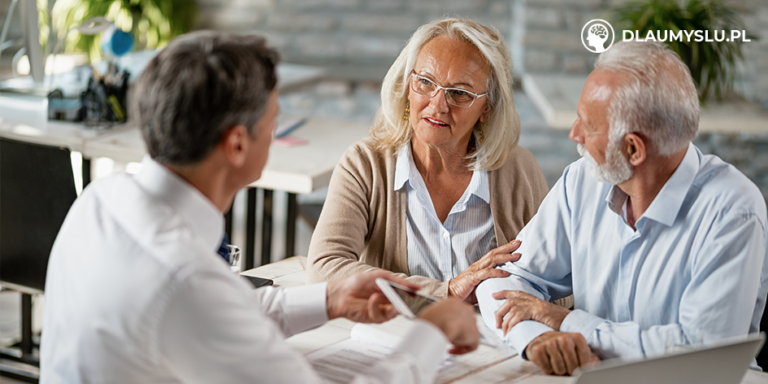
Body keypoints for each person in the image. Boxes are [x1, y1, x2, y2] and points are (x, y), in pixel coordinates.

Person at [40, 31, 482, 383]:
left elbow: (222, 313)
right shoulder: (186, 279)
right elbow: (204, 306)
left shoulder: (101, 200)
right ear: (236, 143)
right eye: (274, 120)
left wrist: (329, 299)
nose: (276, 131)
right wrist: (432, 334)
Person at [475, 40, 768, 376]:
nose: (574, 134)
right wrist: (537, 338)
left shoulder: (732, 211)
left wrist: (570, 322)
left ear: (633, 149)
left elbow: (702, 354)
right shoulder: (581, 181)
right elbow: (503, 278)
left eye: (588, 125)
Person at [306, 18, 549, 303]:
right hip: (396, 339)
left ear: (488, 107)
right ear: (407, 86)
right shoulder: (365, 164)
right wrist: (446, 292)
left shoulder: (519, 170)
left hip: (493, 342)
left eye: (460, 93)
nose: (437, 105)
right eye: (425, 82)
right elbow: (324, 269)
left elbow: (559, 284)